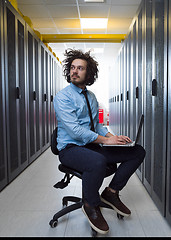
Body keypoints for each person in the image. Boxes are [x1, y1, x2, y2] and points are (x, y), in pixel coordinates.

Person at [53, 49, 146, 235]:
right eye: (72, 68)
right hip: (70, 149)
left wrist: (112, 137)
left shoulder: (91, 97)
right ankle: (91, 204)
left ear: (88, 73)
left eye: (80, 68)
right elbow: (76, 131)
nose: (74, 71)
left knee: (137, 151)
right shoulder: (63, 97)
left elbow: (97, 125)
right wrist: (105, 140)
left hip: (90, 145)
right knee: (97, 161)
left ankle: (111, 192)